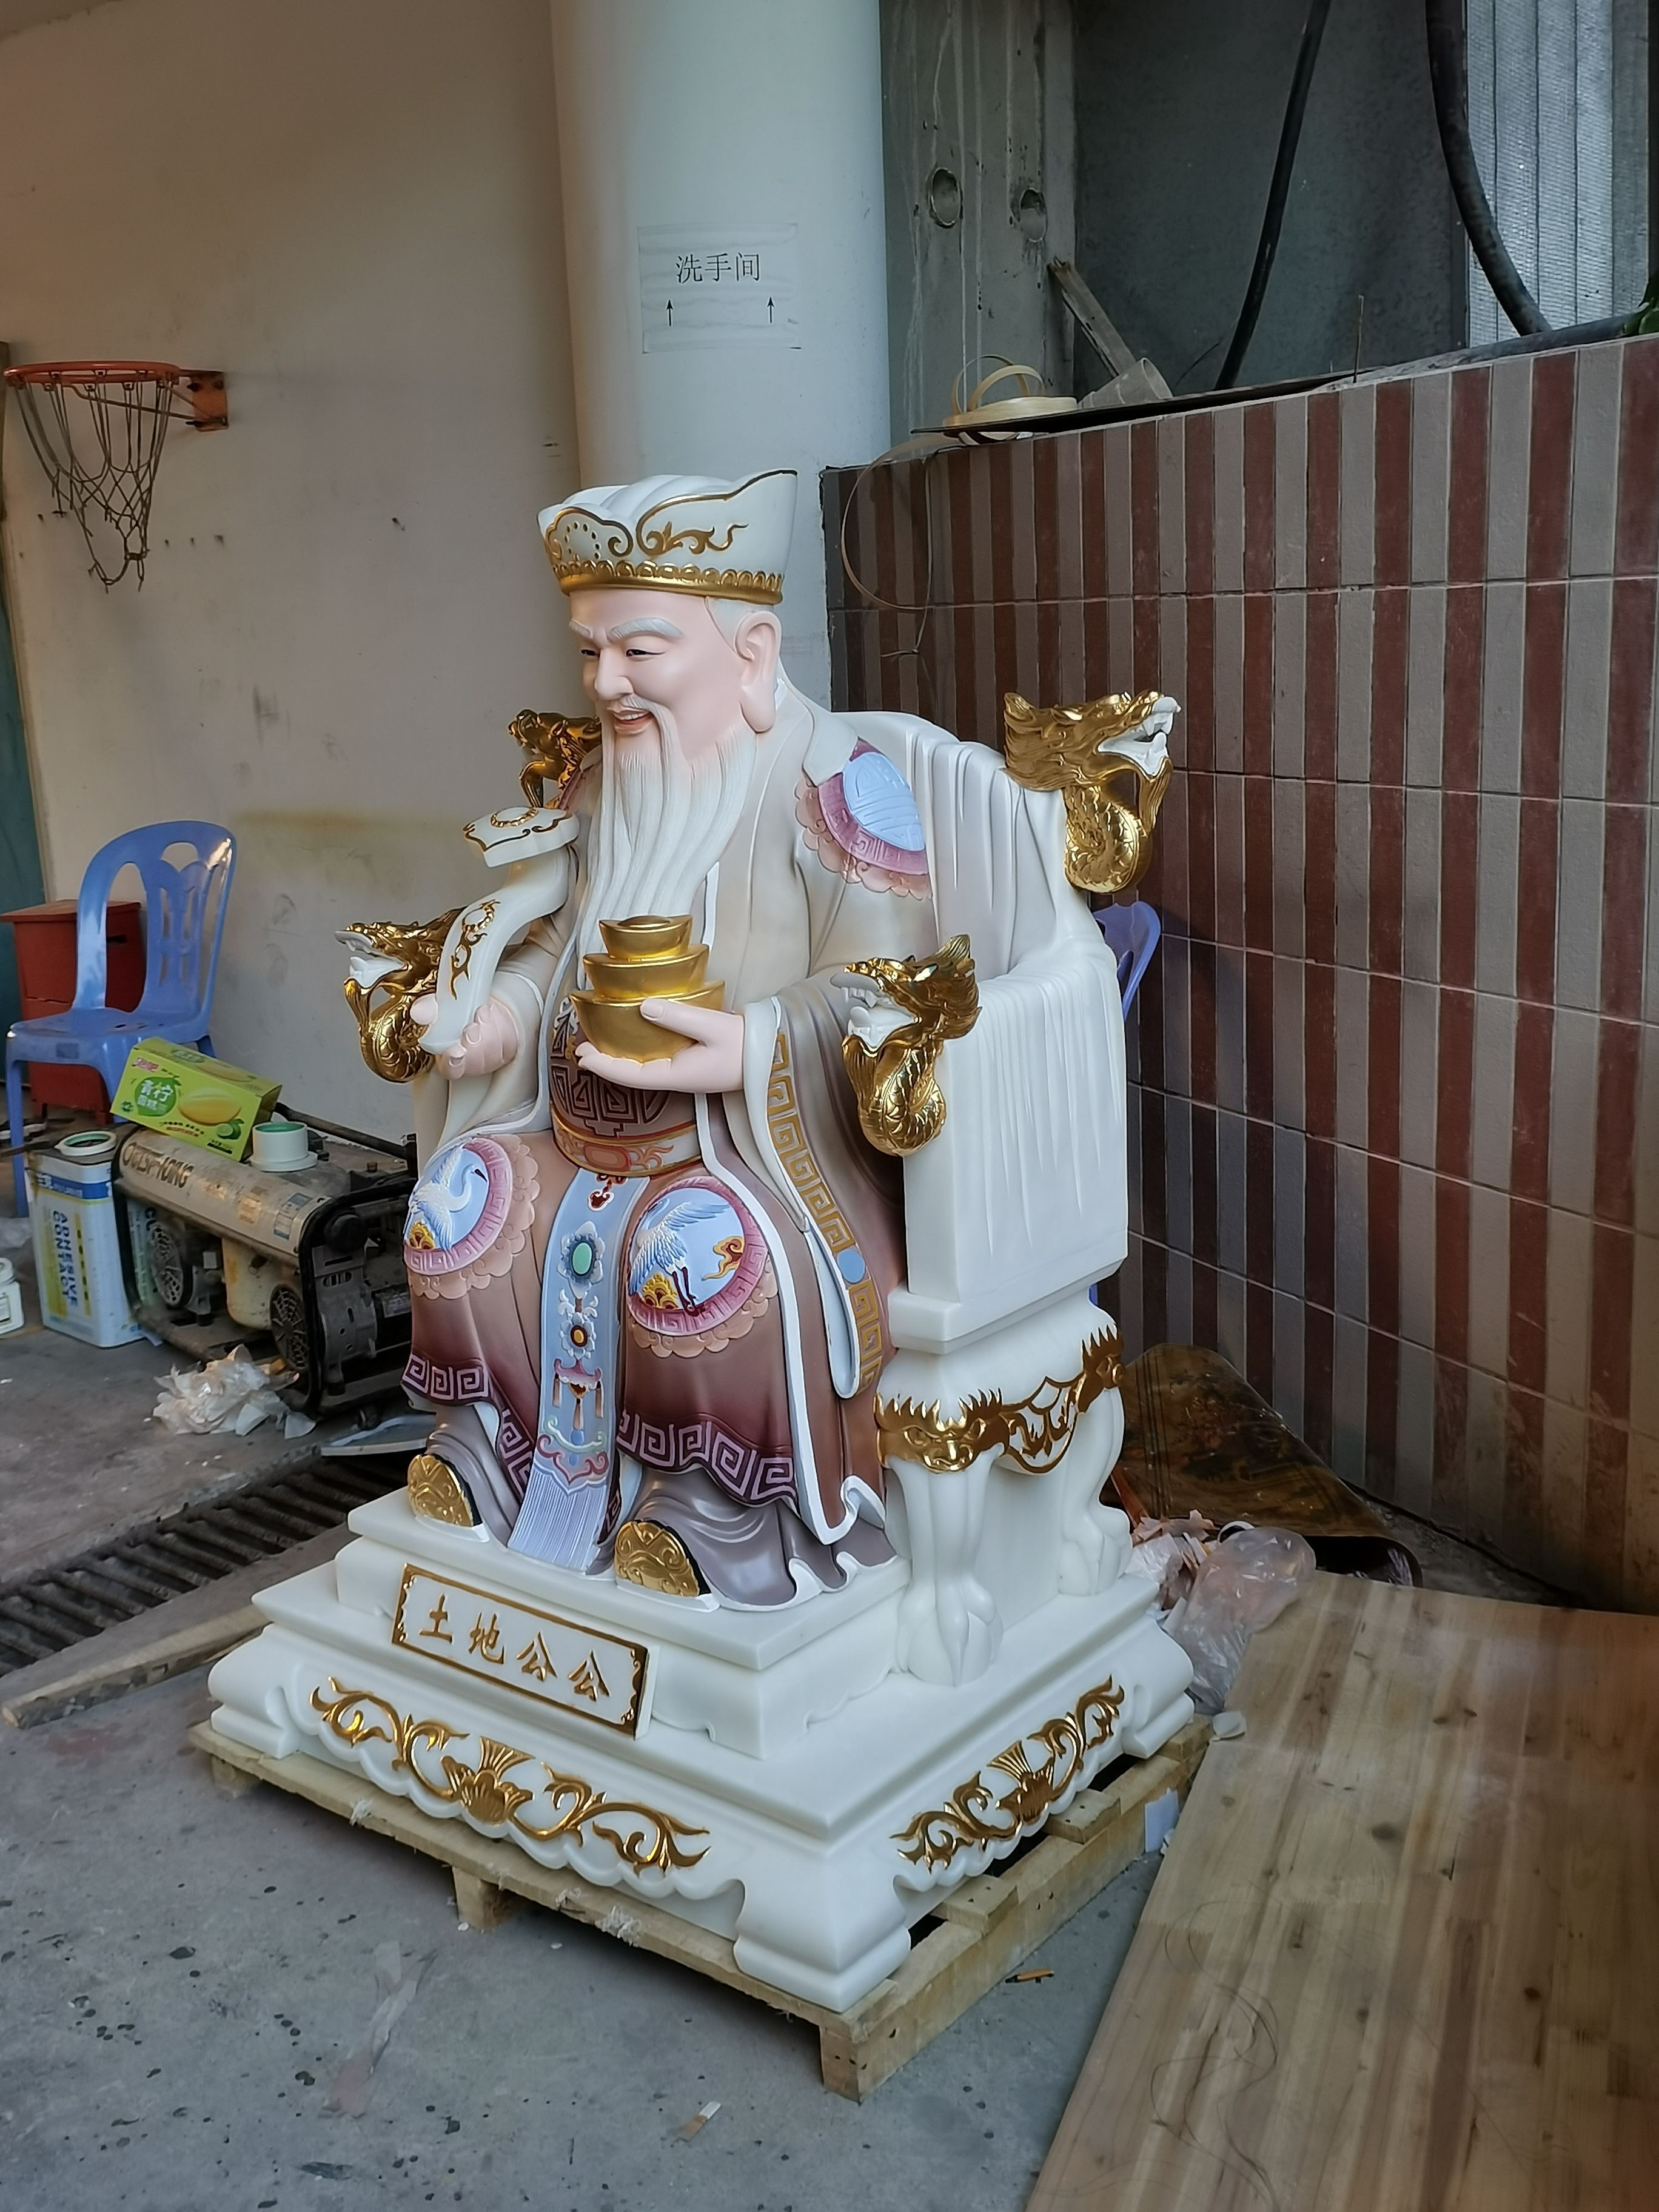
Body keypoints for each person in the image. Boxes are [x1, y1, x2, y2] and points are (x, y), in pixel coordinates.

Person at [400, 469, 942, 1607]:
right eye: (590, 652)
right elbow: (557, 944)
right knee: (461, 1202)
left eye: (639, 651)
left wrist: (756, 1047)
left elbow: (891, 987)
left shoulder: (841, 788)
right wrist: (497, 1019)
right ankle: (491, 1453)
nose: (607, 684)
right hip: (582, 1130)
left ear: (750, 652)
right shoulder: (604, 788)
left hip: (751, 1151)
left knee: (692, 1250)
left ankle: (719, 1509)